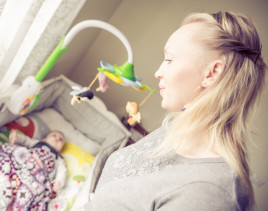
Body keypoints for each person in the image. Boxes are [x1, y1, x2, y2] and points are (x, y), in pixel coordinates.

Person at [76, 11, 266, 211]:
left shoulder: (208, 193)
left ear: (211, 73)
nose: (158, 72)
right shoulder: (178, 126)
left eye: (169, 59)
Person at [0, 130, 67, 211]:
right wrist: (17, 137)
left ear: (61, 150)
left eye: (61, 140)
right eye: (54, 135)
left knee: (27, 190)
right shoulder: (38, 143)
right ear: (44, 139)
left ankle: (2, 204)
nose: (57, 139)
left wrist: (59, 182)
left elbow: (62, 171)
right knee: (6, 169)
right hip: (21, 164)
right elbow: (26, 141)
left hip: (37, 177)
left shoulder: (59, 159)